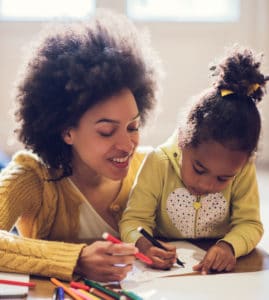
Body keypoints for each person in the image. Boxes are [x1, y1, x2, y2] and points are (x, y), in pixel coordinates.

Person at [0, 10, 162, 282]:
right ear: (67, 132)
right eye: (106, 132)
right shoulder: (32, 179)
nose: (127, 145)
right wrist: (76, 259)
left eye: (133, 127)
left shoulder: (151, 168)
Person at [120, 46, 268, 274]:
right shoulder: (158, 163)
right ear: (182, 141)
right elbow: (132, 222)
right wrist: (145, 245)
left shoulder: (243, 170)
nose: (206, 185)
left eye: (223, 178)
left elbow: (250, 224)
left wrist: (229, 246)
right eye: (199, 169)